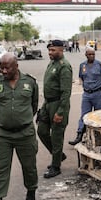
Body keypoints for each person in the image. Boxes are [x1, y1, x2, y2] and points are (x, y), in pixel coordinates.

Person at [0, 53, 39, 200]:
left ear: (17, 66)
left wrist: (22, 118)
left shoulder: (29, 82)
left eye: (7, 67)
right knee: (0, 169)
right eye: (2, 67)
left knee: (29, 166)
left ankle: (31, 193)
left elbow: (34, 105)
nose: (4, 70)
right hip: (3, 134)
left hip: (25, 133)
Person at [37, 40, 73, 178]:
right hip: (47, 103)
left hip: (58, 104)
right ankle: (58, 156)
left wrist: (60, 111)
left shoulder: (64, 67)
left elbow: (66, 92)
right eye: (49, 50)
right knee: (41, 131)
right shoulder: (52, 63)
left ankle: (56, 166)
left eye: (53, 50)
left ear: (61, 50)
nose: (50, 53)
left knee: (57, 136)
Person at [68, 48, 101, 145]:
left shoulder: (100, 65)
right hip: (86, 94)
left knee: (99, 115)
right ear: (86, 55)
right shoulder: (82, 65)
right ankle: (79, 135)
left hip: (97, 93)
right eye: (89, 54)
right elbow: (81, 77)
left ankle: (100, 136)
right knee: (84, 115)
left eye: (93, 54)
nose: (91, 56)